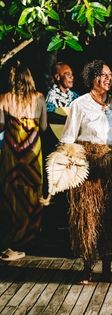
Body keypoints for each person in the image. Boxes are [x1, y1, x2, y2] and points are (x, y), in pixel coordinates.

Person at [59, 60, 112, 284]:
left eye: (110, 75)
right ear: (92, 78)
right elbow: (68, 138)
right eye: (103, 75)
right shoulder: (79, 104)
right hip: (87, 168)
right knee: (88, 216)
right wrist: (71, 162)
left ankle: (109, 269)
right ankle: (87, 266)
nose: (108, 79)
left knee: (111, 215)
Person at [0, 61, 47, 252]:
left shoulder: (3, 98)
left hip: (12, 154)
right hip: (32, 154)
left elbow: (1, 126)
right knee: (34, 191)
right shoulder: (40, 98)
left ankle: (13, 236)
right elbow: (43, 127)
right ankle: (31, 237)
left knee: (11, 191)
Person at [42, 62, 79, 239]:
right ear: (57, 77)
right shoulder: (50, 96)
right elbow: (51, 120)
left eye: (72, 74)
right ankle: (53, 226)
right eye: (67, 74)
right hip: (56, 146)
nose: (71, 77)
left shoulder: (76, 96)